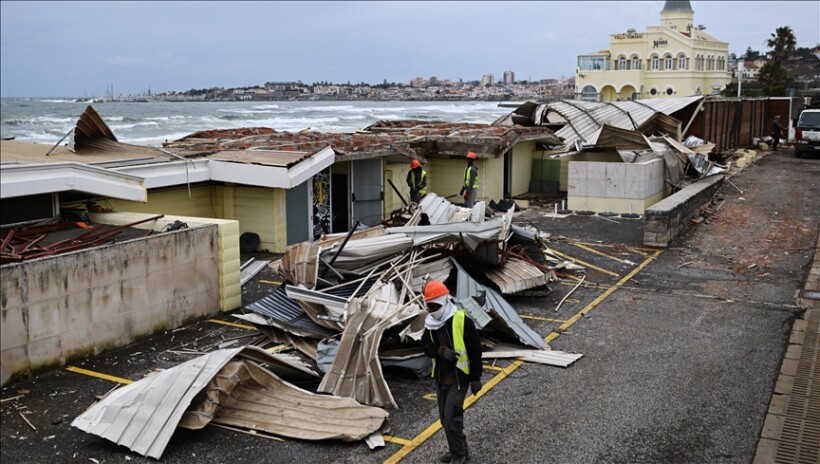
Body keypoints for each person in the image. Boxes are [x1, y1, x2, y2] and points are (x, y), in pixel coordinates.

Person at [421, 280, 483, 464]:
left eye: (435, 306)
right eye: (429, 306)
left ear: (445, 301)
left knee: (451, 419)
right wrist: (439, 351)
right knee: (444, 420)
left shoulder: (462, 321)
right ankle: (459, 449)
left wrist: (475, 378)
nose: (432, 310)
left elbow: (475, 350)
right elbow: (425, 345)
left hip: (458, 378)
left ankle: (459, 456)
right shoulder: (430, 323)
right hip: (441, 379)